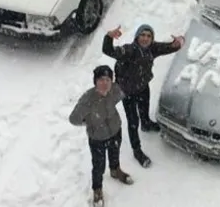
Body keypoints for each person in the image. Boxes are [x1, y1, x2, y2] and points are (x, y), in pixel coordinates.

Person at [102, 24, 185, 168]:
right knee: (133, 121)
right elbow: (108, 50)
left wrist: (179, 41)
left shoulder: (152, 48)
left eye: (149, 36)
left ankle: (146, 124)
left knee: (144, 110)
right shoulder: (129, 50)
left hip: (142, 87)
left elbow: (170, 47)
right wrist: (109, 36)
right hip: (126, 92)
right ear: (137, 37)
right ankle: (137, 150)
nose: (145, 38)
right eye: (143, 35)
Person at [69, 65, 133, 206]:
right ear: (95, 81)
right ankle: (97, 189)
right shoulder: (88, 99)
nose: (105, 83)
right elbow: (74, 119)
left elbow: (123, 92)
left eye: (108, 80)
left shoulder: (115, 90)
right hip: (97, 138)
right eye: (101, 80)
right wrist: (90, 122)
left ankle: (115, 171)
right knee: (98, 166)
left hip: (115, 131)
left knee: (114, 154)